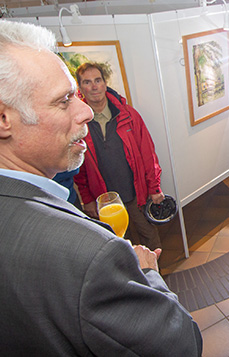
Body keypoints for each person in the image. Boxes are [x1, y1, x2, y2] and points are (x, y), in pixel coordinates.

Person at [0, 20, 202, 355]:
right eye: (65, 99)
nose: (83, 109)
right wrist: (147, 277)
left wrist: (152, 187)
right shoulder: (92, 254)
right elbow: (182, 345)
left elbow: (146, 153)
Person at [74, 62, 164, 250]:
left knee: (149, 237)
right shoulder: (78, 124)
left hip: (135, 194)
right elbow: (78, 165)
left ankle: (154, 275)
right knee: (121, 243)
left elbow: (148, 154)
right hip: (105, 201)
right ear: (80, 88)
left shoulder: (129, 116)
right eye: (87, 82)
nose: (94, 86)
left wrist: (154, 187)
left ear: (105, 83)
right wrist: (87, 198)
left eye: (98, 80)